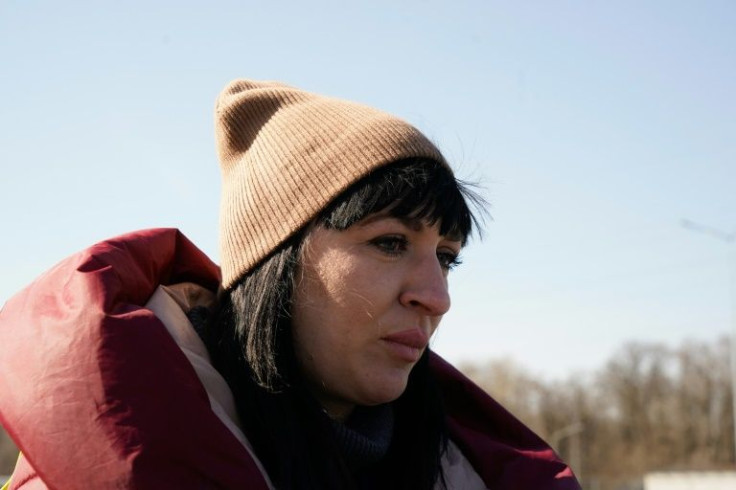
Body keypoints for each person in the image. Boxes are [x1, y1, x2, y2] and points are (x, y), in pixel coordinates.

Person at [0, 79, 581, 489]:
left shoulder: (469, 466)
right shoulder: (77, 476)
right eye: (390, 243)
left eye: (447, 257)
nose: (436, 297)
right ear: (275, 263)